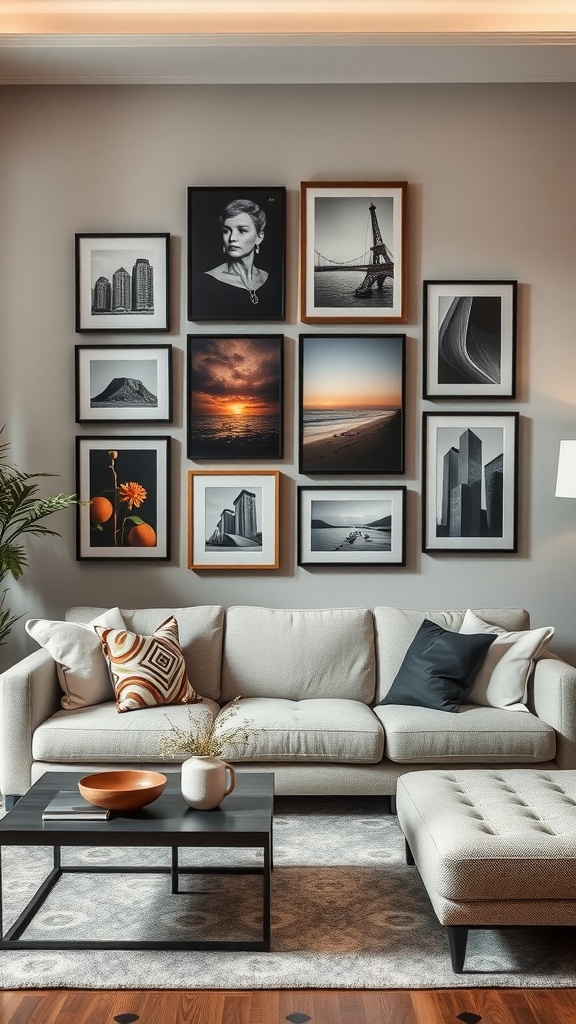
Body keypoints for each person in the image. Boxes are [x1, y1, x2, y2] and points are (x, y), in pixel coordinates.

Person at [194, 198, 282, 319]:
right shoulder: (205, 284)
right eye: (226, 231)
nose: (232, 238)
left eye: (242, 230)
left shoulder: (272, 282)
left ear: (259, 237)